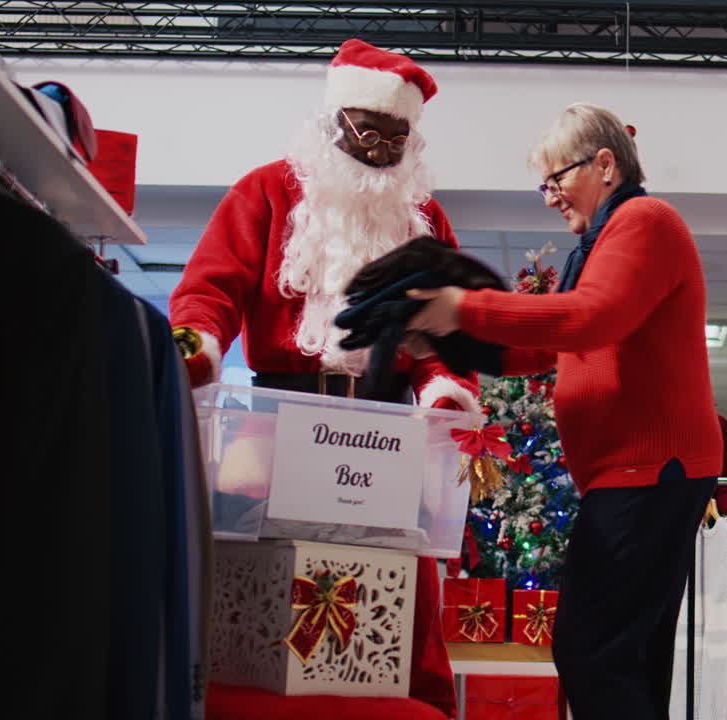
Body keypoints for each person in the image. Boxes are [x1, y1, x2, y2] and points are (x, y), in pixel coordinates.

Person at [168, 39, 473, 717]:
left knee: (403, 581)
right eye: (369, 130)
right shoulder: (266, 191)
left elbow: (449, 329)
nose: (382, 150)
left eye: (398, 137)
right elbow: (211, 288)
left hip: (386, 429)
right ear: (334, 121)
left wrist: (444, 385)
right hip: (277, 423)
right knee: (255, 576)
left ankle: (405, 702)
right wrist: (198, 342)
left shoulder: (422, 219)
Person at [406, 103, 722, 718]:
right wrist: (448, 337)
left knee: (590, 650)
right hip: (639, 475)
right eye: (543, 183)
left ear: (605, 164)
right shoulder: (601, 243)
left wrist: (465, 308)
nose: (549, 197)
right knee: (625, 656)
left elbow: (591, 317)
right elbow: (544, 346)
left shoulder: (644, 220)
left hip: (651, 472)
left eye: (558, 178)